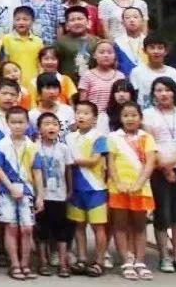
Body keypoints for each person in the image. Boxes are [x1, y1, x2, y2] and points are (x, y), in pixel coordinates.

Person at [142, 77, 176, 273]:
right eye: (158, 90)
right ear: (153, 94)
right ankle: (164, 257)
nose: (163, 94)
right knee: (162, 214)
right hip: (158, 167)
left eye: (167, 90)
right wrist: (166, 168)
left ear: (174, 92)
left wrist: (172, 164)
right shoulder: (148, 114)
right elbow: (150, 143)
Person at [0, 106, 44, 281]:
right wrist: (10, 186)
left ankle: (25, 264)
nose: (17, 126)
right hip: (6, 192)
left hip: (27, 191)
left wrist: (40, 196)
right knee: (11, 227)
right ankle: (15, 265)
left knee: (27, 228)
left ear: (27, 124)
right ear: (8, 123)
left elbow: (37, 171)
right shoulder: (1, 145)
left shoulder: (32, 146)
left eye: (21, 122)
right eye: (13, 122)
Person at [106, 102, 157, 280]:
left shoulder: (146, 137)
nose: (130, 119)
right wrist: (118, 183)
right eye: (126, 115)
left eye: (134, 115)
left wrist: (139, 183)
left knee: (140, 226)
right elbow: (110, 163)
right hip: (118, 188)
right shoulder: (113, 137)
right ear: (120, 118)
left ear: (140, 118)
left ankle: (140, 261)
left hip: (141, 188)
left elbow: (150, 163)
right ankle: (126, 261)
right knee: (120, 225)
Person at [66, 101, 109, 277]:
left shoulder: (99, 137)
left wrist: (72, 160)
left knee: (98, 227)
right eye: (78, 113)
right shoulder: (69, 138)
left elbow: (94, 160)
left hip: (95, 189)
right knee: (79, 226)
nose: (81, 116)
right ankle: (82, 258)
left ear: (95, 118)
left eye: (86, 113)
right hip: (76, 189)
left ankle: (99, 261)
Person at [33, 113, 74, 277]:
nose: (51, 127)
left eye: (55, 124)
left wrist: (70, 189)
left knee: (61, 230)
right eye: (47, 124)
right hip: (41, 196)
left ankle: (63, 264)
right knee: (41, 230)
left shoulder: (63, 148)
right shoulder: (34, 147)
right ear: (39, 129)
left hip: (59, 195)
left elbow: (69, 170)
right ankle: (43, 262)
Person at [129, 35, 176, 109]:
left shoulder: (173, 73)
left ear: (166, 51)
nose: (156, 51)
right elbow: (132, 98)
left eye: (160, 48)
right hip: (144, 113)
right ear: (144, 50)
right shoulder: (136, 72)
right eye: (152, 48)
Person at [1, 6, 44, 93]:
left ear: (32, 21)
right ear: (13, 21)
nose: (21, 22)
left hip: (33, 83)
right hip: (13, 83)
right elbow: (4, 63)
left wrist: (40, 80)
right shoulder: (6, 39)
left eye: (25, 19)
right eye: (18, 19)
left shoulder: (38, 41)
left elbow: (40, 64)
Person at [78, 40, 125, 112]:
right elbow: (83, 103)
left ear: (115, 55)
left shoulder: (120, 76)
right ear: (94, 55)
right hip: (94, 117)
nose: (106, 55)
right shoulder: (87, 75)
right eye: (101, 52)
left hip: (115, 116)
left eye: (110, 52)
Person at [55, 6, 95, 83]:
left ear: (88, 21)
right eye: (72, 20)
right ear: (67, 25)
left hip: (92, 84)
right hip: (68, 84)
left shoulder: (96, 42)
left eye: (80, 19)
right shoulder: (61, 42)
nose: (76, 22)